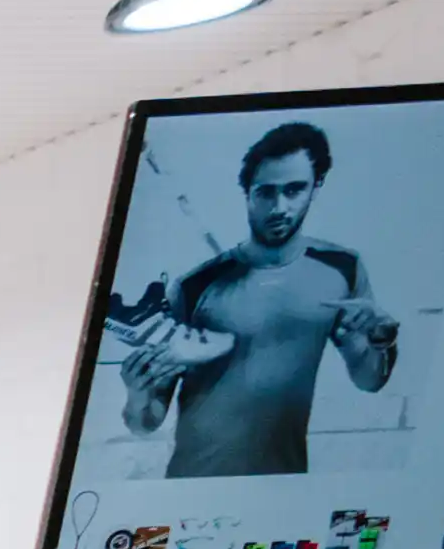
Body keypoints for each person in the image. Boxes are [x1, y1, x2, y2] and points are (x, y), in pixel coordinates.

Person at [114, 119, 396, 479]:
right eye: (266, 192)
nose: (279, 207)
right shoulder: (194, 286)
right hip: (192, 484)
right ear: (247, 192)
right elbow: (146, 422)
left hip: (286, 481)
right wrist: (137, 395)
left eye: (294, 190)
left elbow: (369, 380)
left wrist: (379, 339)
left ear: (316, 186)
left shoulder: (342, 269)